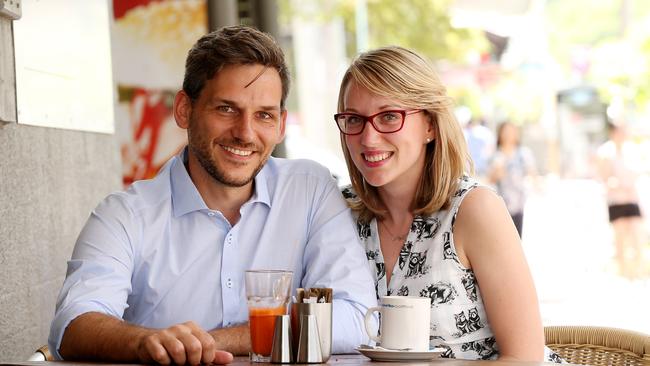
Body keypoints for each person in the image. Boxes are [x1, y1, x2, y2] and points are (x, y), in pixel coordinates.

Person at [49, 25, 377, 365]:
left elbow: (356, 319)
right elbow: (72, 326)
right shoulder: (124, 215)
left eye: (263, 115)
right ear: (184, 110)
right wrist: (149, 342)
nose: (245, 133)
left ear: (280, 126)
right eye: (225, 109)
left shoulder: (309, 189)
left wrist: (208, 341)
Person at [335, 46, 562, 362]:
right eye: (354, 119)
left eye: (389, 116)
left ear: (429, 124)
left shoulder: (474, 210)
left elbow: (525, 359)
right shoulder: (336, 212)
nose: (369, 138)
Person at [596, 122, 645, 278]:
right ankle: (624, 274)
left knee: (637, 238)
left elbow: (638, 172)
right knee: (620, 239)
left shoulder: (631, 150)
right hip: (616, 200)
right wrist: (617, 184)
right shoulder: (605, 152)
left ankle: (637, 273)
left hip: (631, 199)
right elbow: (603, 179)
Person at [488, 122, 536, 237]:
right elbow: (490, 179)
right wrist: (497, 172)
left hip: (518, 202)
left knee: (517, 236)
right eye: (505, 131)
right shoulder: (496, 155)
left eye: (512, 131)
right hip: (500, 203)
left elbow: (532, 173)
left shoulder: (523, 153)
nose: (509, 134)